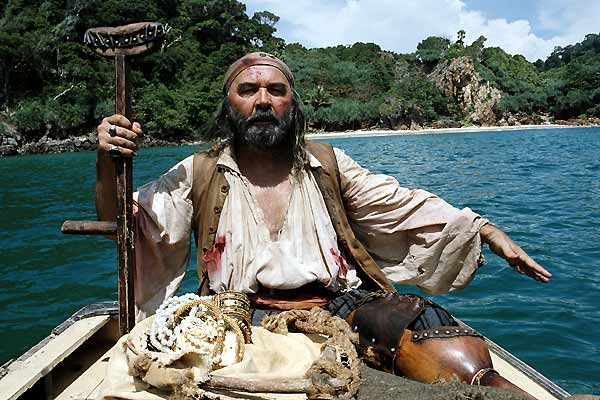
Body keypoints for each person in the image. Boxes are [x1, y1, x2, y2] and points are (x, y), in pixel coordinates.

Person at [95, 52, 551, 395]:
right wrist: (107, 160)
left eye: (276, 90)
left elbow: (400, 203)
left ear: (291, 103)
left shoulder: (326, 163)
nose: (263, 100)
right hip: (236, 312)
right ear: (229, 105)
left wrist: (485, 230)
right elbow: (122, 221)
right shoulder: (199, 171)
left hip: (338, 302)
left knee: (438, 335)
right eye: (248, 90)